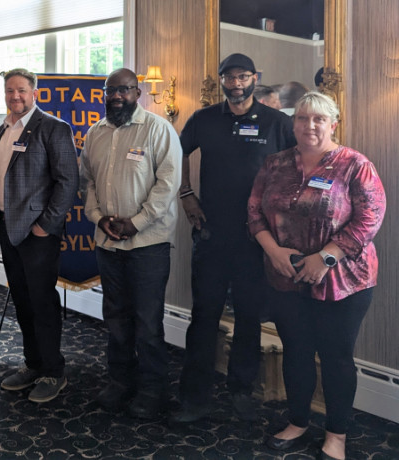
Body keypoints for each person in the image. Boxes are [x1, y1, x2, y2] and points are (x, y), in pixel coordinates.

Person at [248, 92, 385, 460]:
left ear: (333, 124)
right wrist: (274, 252)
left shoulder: (355, 165)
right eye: (303, 118)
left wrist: (325, 257)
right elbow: (254, 213)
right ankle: (298, 420)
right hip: (284, 277)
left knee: (336, 357)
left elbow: (370, 218)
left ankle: (336, 434)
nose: (310, 126)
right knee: (296, 352)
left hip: (344, 281)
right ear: (292, 123)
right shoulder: (274, 164)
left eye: (319, 119)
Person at [172, 53, 296, 423]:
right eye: (230, 77)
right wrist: (185, 193)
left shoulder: (276, 122)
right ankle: (195, 396)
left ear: (255, 78)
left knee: (247, 318)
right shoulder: (204, 118)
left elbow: (296, 167)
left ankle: (241, 390)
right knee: (204, 316)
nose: (237, 83)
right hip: (210, 234)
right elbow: (173, 153)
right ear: (221, 79)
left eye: (244, 77)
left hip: (255, 238)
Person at [80, 68, 181, 418]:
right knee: (116, 317)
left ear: (137, 92)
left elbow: (167, 187)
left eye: (123, 90)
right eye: (110, 91)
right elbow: (88, 182)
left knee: (147, 321)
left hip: (148, 244)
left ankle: (153, 390)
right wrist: (99, 218)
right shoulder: (95, 133)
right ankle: (121, 382)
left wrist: (135, 223)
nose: (116, 96)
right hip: (108, 242)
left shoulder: (158, 129)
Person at [0, 68, 79, 403]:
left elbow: (69, 182)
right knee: (23, 301)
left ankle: (54, 371)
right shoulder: (3, 129)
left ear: (35, 93)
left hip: (38, 234)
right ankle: (33, 363)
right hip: (9, 232)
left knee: (42, 303)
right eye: (10, 91)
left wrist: (46, 225)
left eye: (22, 91)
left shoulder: (53, 128)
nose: (15, 97)